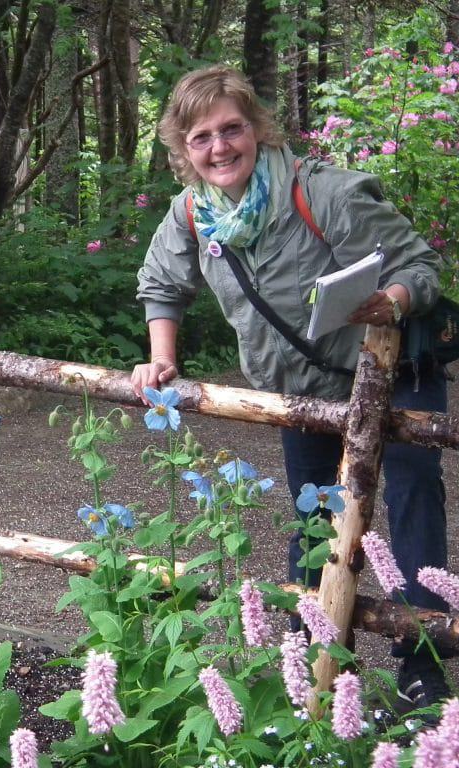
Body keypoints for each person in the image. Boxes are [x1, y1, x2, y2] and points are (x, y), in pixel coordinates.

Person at [130, 64, 452, 713]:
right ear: (182, 150)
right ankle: (315, 661)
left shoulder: (323, 195)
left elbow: (421, 266)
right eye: (201, 137)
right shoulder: (193, 214)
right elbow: (162, 285)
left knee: (413, 511)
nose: (219, 147)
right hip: (303, 396)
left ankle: (425, 664)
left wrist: (391, 298)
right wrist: (160, 359)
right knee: (314, 521)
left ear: (257, 128)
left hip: (395, 376)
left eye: (231, 129)